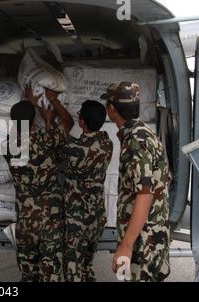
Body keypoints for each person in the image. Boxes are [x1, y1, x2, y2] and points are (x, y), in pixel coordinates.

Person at [103, 82, 172, 282]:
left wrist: (126, 246)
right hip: (147, 237)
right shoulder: (143, 133)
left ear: (112, 109)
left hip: (144, 242)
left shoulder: (136, 141)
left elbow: (144, 194)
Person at [7, 85, 74, 282]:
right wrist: (47, 113)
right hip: (49, 217)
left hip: (26, 218)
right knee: (50, 269)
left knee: (29, 272)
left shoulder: (7, 145)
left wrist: (30, 107)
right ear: (33, 118)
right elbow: (68, 122)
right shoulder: (47, 139)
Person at [61, 100, 113, 282]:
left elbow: (64, 131)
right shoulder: (107, 142)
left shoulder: (73, 149)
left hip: (78, 218)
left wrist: (51, 111)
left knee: (73, 265)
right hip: (97, 215)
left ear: (81, 121)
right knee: (87, 265)